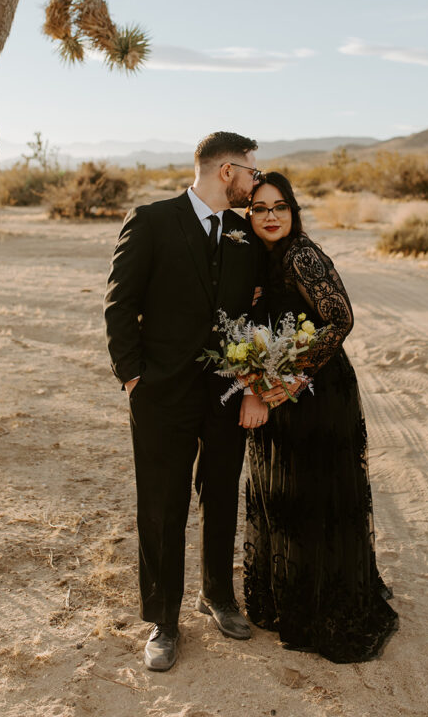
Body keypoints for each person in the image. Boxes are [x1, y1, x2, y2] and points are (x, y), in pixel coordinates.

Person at [103, 132, 269, 672]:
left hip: (225, 395)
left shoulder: (245, 234)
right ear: (227, 171)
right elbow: (119, 304)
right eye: (250, 172)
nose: (255, 181)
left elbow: (256, 314)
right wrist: (133, 379)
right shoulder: (151, 220)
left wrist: (252, 384)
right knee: (162, 504)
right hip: (160, 395)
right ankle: (164, 620)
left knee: (221, 494)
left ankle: (217, 594)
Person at [243, 171, 398, 662]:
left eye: (280, 207)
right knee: (285, 491)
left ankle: (323, 606)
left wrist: (296, 373)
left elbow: (341, 318)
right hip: (277, 387)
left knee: (315, 492)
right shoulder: (260, 260)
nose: (271, 216)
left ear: (294, 211)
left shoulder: (302, 256)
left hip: (318, 389)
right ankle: (290, 597)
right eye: (261, 208)